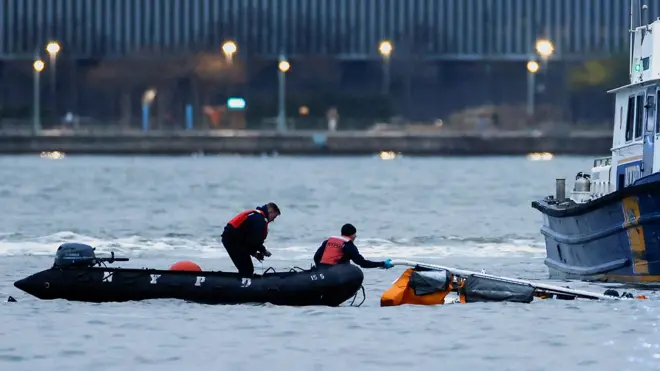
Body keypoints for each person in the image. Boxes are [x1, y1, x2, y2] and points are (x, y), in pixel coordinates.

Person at [221, 202, 280, 277]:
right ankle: (241, 285)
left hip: (235, 240)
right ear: (270, 211)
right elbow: (254, 241)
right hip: (232, 240)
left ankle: (240, 280)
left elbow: (249, 240)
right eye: (274, 217)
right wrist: (263, 250)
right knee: (247, 269)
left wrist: (255, 253)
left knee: (246, 268)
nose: (272, 220)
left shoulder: (257, 216)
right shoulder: (259, 220)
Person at [313, 223, 394, 269]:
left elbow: (316, 257)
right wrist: (382, 263)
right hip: (335, 273)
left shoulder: (328, 242)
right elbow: (362, 263)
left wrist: (319, 268)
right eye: (355, 234)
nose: (355, 236)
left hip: (321, 270)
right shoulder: (349, 246)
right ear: (352, 235)